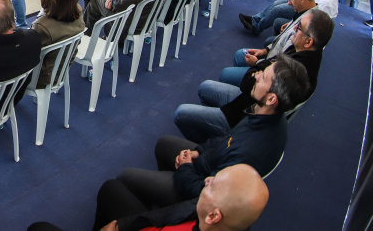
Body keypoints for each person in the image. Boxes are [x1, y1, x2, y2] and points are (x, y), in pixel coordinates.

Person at [117, 56, 307, 209]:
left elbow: (206, 193)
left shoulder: (249, 149)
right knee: (164, 144)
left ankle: (172, 206)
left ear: (272, 98)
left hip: (198, 193)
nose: (256, 76)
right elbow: (226, 140)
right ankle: (161, 201)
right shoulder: (267, 115)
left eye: (263, 77)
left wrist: (185, 168)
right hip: (208, 163)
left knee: (124, 179)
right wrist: (198, 151)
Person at [177, 11, 331, 143]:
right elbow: (258, 75)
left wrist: (259, 67)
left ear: (308, 41)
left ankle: (213, 144)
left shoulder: (300, 69)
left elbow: (247, 83)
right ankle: (211, 132)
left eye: (298, 28)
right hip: (246, 100)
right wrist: (262, 68)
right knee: (205, 87)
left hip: (243, 116)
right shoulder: (304, 52)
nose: (294, 30)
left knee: (180, 113)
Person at [27, 164, 269, 231]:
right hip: (149, 226)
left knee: (38, 228)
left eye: (212, 185)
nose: (207, 180)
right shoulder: (212, 213)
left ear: (215, 216)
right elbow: (168, 214)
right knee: (111, 189)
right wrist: (122, 225)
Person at [223, 0, 318, 86]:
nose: (289, 3)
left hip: (272, 74)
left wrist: (257, 63)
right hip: (271, 57)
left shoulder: (304, 28)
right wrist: (265, 51)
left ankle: (246, 90)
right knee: (240, 55)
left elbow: (283, 66)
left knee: (224, 75)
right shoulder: (304, 15)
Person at [31, 0, 85, 89]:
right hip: (62, 70)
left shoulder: (41, 26)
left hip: (41, 78)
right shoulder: (78, 11)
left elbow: (29, 56)